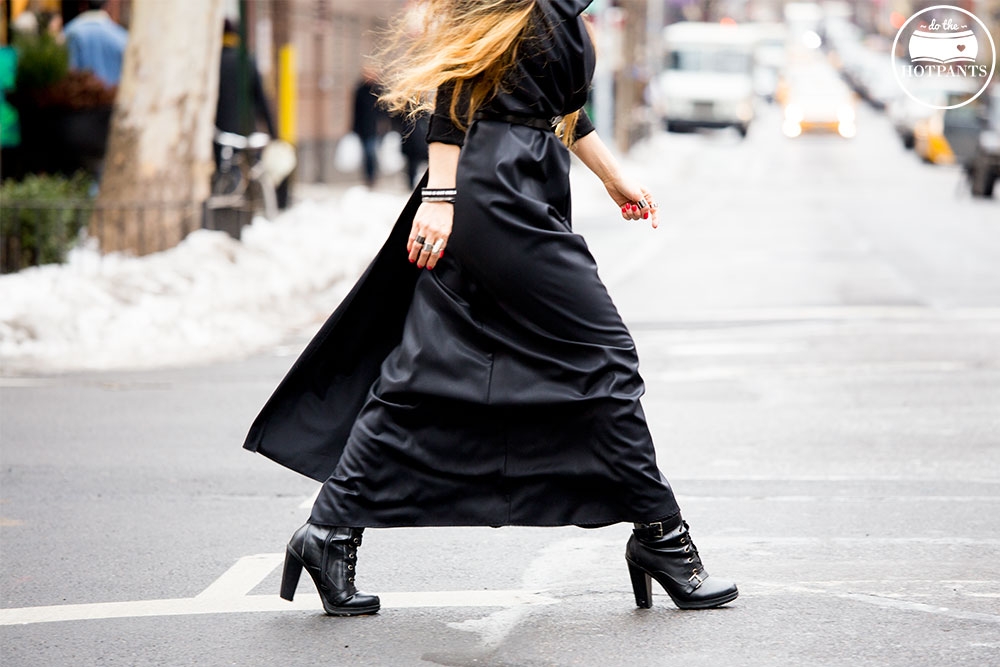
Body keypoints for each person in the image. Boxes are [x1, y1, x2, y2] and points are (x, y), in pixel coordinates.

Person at [245, 0, 738, 616]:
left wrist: (613, 179)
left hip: (524, 184)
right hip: (493, 192)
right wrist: (442, 195)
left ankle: (329, 532)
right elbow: (458, 88)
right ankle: (663, 538)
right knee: (605, 357)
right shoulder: (516, 3)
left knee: (427, 369)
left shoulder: (560, 11)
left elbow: (562, 112)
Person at [215, 19, 277, 141]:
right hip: (246, 133)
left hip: (219, 134)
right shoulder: (247, 61)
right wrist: (274, 135)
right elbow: (262, 101)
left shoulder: (213, 63)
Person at [62, 0, 127, 87]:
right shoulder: (121, 36)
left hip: (76, 97)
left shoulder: (68, 33)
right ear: (106, 6)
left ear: (83, 5)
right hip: (112, 98)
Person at [352, 67, 384, 187]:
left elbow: (384, 110)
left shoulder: (378, 90)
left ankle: (372, 176)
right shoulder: (359, 90)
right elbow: (355, 111)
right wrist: (354, 128)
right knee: (367, 154)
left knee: (372, 153)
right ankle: (369, 177)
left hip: (376, 129)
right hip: (364, 129)